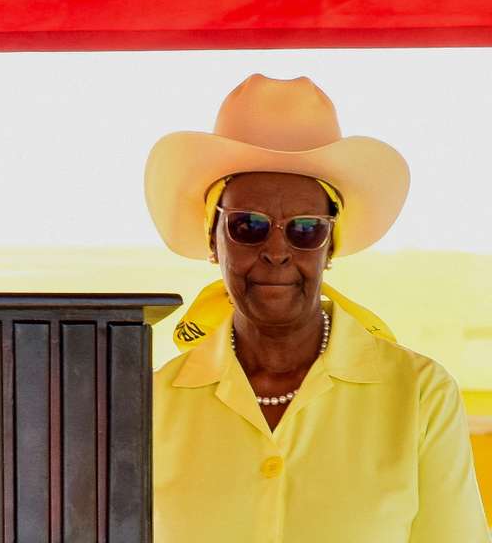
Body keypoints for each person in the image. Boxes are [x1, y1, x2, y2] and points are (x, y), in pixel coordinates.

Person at [144, 74, 488, 541]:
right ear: (213, 240)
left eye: (306, 229)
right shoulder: (151, 403)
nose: (277, 250)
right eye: (248, 225)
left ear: (330, 246)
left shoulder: (420, 395)